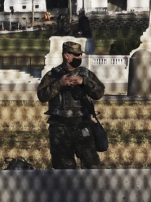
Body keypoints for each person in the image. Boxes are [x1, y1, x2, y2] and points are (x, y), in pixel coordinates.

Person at [37, 41, 106, 169]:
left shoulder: (85, 74)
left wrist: (83, 81)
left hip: (82, 125)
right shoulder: (53, 75)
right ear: (66, 56)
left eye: (80, 55)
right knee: (63, 168)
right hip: (60, 128)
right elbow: (42, 96)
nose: (79, 57)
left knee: (92, 165)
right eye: (76, 55)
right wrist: (59, 84)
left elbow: (99, 93)